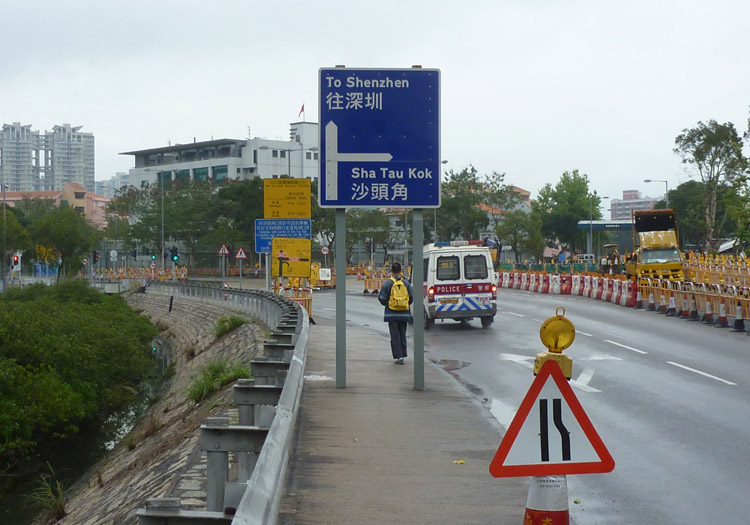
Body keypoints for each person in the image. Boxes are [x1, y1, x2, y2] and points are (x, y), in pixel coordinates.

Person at [378, 261, 414, 364]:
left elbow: (382, 298)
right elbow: (411, 297)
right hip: (404, 314)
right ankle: (403, 354)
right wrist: (405, 305)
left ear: (391, 271)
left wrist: (388, 304)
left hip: (392, 314)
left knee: (395, 336)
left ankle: (398, 357)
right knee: (402, 334)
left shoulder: (388, 283)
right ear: (401, 271)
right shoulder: (406, 283)